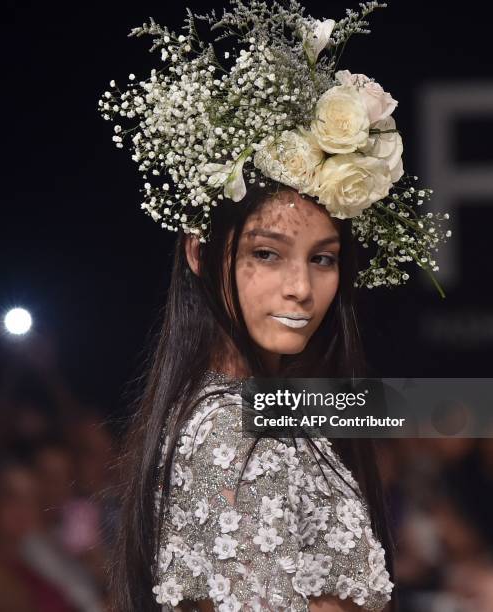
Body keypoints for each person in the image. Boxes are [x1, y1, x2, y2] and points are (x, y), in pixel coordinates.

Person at [98, 2, 450, 610]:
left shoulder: (267, 406)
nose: (300, 289)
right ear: (201, 255)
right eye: (267, 254)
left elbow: (432, 409)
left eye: (322, 258)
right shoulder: (227, 431)